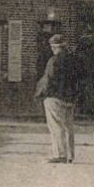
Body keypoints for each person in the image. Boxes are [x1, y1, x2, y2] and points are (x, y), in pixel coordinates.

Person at [35, 33, 77, 163]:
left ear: (54, 47)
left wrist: (40, 93)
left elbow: (48, 79)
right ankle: (70, 154)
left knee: (56, 126)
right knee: (68, 126)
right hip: (70, 97)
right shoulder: (73, 60)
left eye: (53, 47)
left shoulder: (54, 61)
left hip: (54, 97)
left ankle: (60, 154)